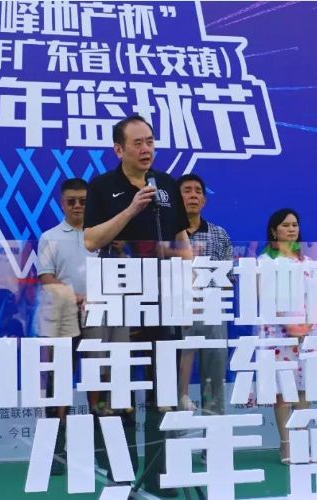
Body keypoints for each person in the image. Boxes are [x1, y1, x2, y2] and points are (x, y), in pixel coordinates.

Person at [84, 115, 191, 497]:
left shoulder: (166, 184)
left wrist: (186, 270)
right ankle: (121, 478)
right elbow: (91, 240)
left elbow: (181, 239)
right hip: (120, 303)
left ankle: (161, 479)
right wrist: (131, 209)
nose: (147, 149)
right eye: (138, 143)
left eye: (150, 141)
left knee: (163, 393)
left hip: (162, 302)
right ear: (119, 149)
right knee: (120, 393)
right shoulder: (102, 187)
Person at [36, 178, 129, 475]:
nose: (77, 206)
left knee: (98, 382)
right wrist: (74, 297)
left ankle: (101, 451)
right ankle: (56, 452)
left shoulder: (105, 234)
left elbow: (121, 272)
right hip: (63, 317)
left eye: (83, 201)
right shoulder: (50, 237)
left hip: (100, 316)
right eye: (71, 201)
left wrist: (120, 252)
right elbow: (46, 277)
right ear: (61, 204)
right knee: (59, 383)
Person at [257, 209, 317, 464]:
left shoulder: (308, 262)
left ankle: (303, 444)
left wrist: (307, 324)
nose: (291, 229)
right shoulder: (265, 261)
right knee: (283, 391)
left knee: (304, 389)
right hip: (278, 332)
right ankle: (287, 446)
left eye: (295, 225)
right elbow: (264, 296)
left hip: (307, 332)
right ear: (274, 231)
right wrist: (290, 325)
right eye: (285, 225)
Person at [176, 174, 233, 416]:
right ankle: (177, 434)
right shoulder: (167, 233)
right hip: (178, 312)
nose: (193, 196)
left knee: (214, 376)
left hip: (212, 309)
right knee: (177, 379)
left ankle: (214, 432)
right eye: (187, 191)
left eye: (198, 191)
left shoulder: (219, 234)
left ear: (204, 200)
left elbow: (228, 279)